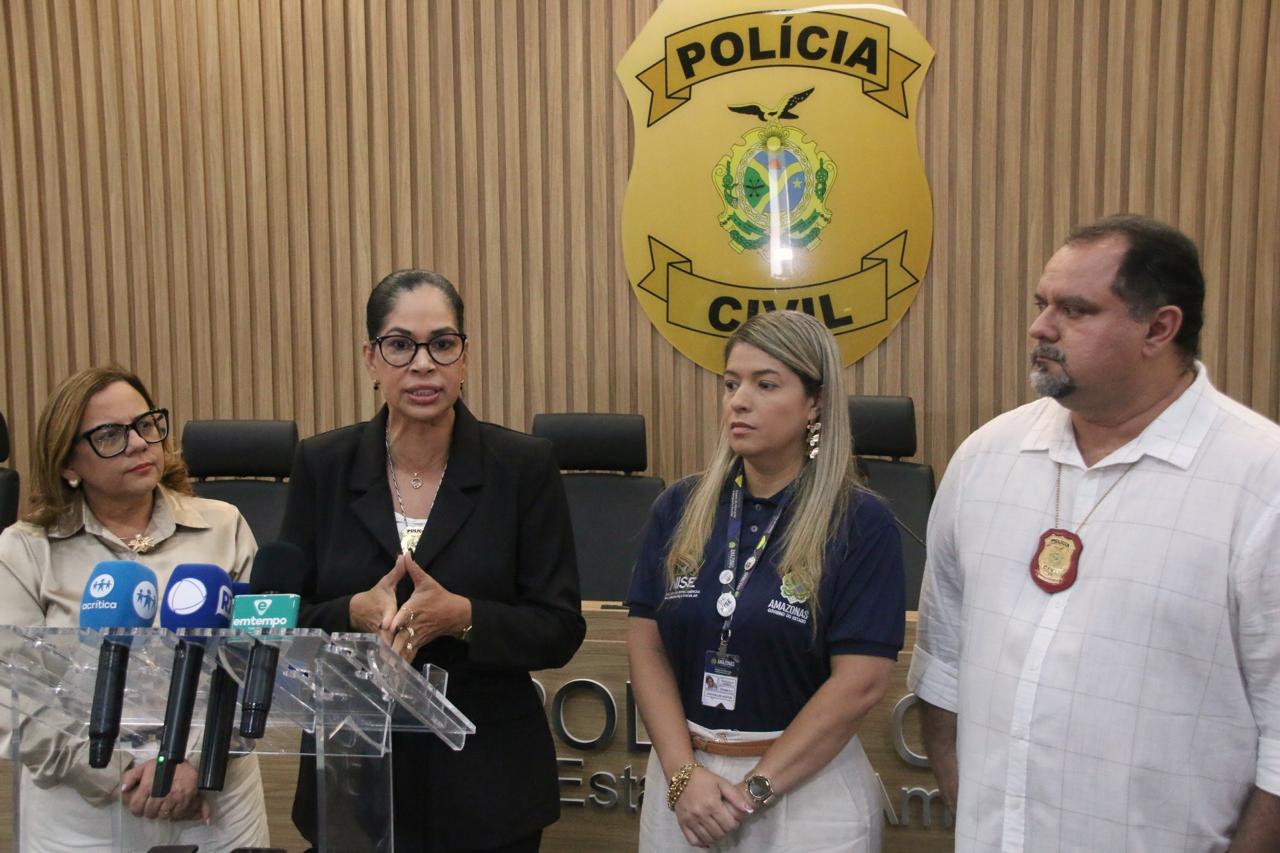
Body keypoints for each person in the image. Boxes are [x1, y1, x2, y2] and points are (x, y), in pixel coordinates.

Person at [909, 214, 1280, 851]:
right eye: (1041, 303)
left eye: (1075, 310)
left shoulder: (1260, 479)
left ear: (1160, 328)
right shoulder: (986, 459)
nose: (1040, 327)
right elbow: (943, 666)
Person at [281, 268, 586, 852]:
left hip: (487, 786)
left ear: (465, 357)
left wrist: (462, 616)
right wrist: (350, 612)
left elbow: (560, 628)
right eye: (400, 346)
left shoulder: (522, 467)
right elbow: (280, 615)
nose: (423, 364)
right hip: (353, 779)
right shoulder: (323, 465)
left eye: (442, 345)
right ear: (371, 360)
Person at [627, 310, 905, 852]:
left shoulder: (859, 521)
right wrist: (684, 777)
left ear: (815, 402)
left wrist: (753, 790)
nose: (738, 400)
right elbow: (645, 644)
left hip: (806, 792)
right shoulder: (679, 507)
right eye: (732, 383)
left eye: (766, 384)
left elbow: (862, 682)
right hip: (686, 787)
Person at [0, 366, 270, 852]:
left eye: (146, 424)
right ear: (67, 464)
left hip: (213, 792)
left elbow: (250, 664)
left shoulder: (223, 526)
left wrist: (192, 766)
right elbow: (14, 696)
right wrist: (120, 773)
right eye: (109, 435)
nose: (139, 443)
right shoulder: (23, 550)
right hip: (83, 807)